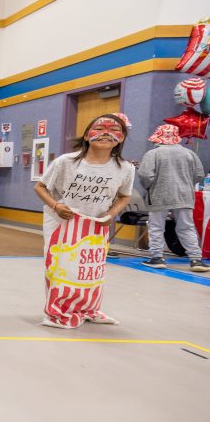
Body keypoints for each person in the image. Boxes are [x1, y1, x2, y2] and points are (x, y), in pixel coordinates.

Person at [34, 113, 135, 328]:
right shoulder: (66, 162)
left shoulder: (125, 168)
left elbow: (124, 196)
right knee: (61, 268)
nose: (106, 133)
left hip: (96, 226)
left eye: (114, 130)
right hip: (62, 224)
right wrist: (56, 205)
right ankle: (58, 311)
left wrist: (111, 214)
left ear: (122, 138)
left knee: (91, 270)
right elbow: (40, 187)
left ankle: (88, 308)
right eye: (99, 128)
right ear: (87, 135)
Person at [138, 124, 209, 272]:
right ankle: (196, 259)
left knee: (157, 227)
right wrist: (186, 185)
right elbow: (199, 175)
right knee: (186, 227)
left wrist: (150, 187)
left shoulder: (153, 154)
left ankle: (157, 258)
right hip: (184, 196)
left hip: (159, 195)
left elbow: (145, 175)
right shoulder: (190, 154)